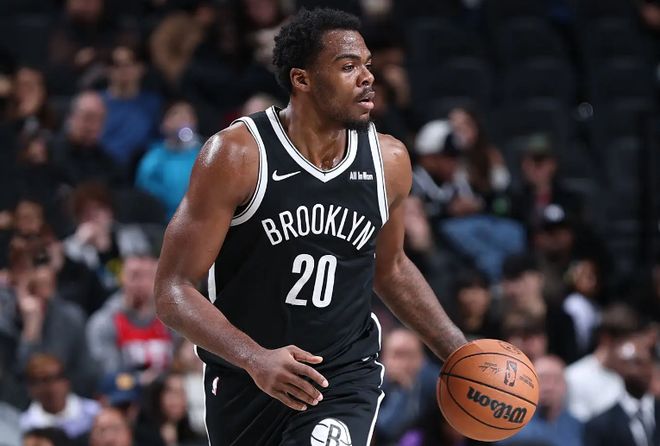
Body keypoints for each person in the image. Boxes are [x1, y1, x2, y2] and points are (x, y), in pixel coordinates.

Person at [154, 8, 466, 446]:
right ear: (302, 79)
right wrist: (255, 358)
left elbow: (391, 268)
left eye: (367, 65)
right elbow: (172, 290)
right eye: (348, 66)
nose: (367, 77)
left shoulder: (388, 161)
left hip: (343, 375)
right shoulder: (238, 155)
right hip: (248, 379)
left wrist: (458, 352)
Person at [585, 334, 659, 446]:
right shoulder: (600, 425)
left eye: (641, 363)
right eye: (630, 363)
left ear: (652, 367)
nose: (636, 371)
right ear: (619, 369)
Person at [497, 355, 584, 446]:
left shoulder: (576, 425)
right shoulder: (510, 423)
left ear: (565, 386)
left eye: (556, 380)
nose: (549, 387)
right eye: (542, 379)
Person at [375, 328, 440, 444]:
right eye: (397, 355)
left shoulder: (436, 383)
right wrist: (403, 391)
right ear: (384, 358)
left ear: (422, 359)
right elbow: (385, 429)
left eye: (410, 355)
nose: (403, 363)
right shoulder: (373, 384)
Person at [20, 354, 99, 442]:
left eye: (57, 378)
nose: (52, 387)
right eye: (44, 380)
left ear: (67, 381)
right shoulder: (27, 425)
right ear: (31, 389)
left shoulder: (94, 412)